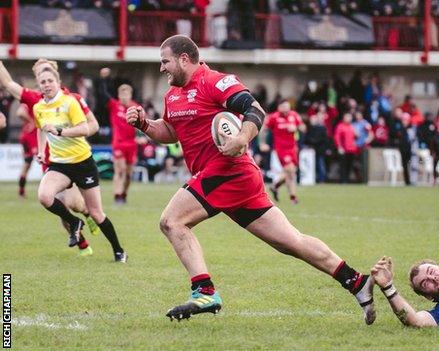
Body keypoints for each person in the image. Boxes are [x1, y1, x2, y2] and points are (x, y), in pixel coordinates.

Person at [125, 35, 375, 323]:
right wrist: (144, 124)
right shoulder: (173, 95)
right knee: (290, 242)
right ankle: (357, 281)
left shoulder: (215, 81)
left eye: (165, 61)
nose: (161, 69)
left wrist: (242, 138)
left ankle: (204, 291)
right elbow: (170, 132)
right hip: (229, 180)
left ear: (184, 59)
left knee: (172, 221)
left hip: (228, 172)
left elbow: (254, 109)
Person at [0, 59, 103, 244]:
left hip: (72, 158)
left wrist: (70, 134)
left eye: (47, 74)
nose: (44, 80)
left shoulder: (72, 99)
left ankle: (86, 213)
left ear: (56, 76)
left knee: (74, 203)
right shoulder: (35, 99)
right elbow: (8, 84)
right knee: (58, 206)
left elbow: (92, 126)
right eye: (40, 76)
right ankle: (82, 244)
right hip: (51, 162)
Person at [32, 66, 126, 261]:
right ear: (38, 86)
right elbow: (41, 129)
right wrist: (41, 151)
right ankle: (75, 223)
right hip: (59, 164)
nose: (47, 84)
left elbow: (85, 128)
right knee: (44, 196)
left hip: (82, 161)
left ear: (58, 82)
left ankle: (118, 250)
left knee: (96, 213)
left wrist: (60, 131)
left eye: (50, 80)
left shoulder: (69, 102)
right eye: (43, 82)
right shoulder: (38, 107)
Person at [99, 68, 140, 204]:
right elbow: (103, 94)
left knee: (128, 175)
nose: (124, 96)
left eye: (126, 93)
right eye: (121, 93)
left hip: (132, 144)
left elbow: (143, 124)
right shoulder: (114, 106)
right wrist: (103, 79)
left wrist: (142, 136)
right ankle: (117, 195)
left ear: (130, 95)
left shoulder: (136, 108)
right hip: (119, 143)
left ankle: (124, 194)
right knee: (120, 170)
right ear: (118, 95)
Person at [260, 99, 305, 204]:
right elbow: (263, 130)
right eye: (284, 106)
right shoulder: (274, 117)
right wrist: (262, 143)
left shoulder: (294, 115)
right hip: (281, 149)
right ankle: (293, 197)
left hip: (293, 148)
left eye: (287, 106)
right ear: (279, 107)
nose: (286, 109)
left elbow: (303, 127)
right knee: (290, 171)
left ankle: (275, 186)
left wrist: (296, 127)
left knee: (291, 171)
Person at [17, 104, 37, 198]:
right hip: (31, 137)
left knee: (27, 164)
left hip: (28, 136)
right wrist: (31, 121)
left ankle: (21, 190)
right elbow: (20, 113)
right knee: (47, 162)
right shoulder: (31, 100)